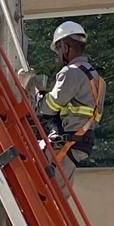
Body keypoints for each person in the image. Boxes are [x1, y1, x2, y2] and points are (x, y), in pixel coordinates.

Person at [19, 20, 106, 184]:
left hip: (65, 143)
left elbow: (48, 108)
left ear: (65, 47)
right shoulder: (98, 79)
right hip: (80, 143)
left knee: (32, 180)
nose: (58, 55)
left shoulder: (71, 73)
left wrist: (34, 89)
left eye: (58, 49)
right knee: (58, 195)